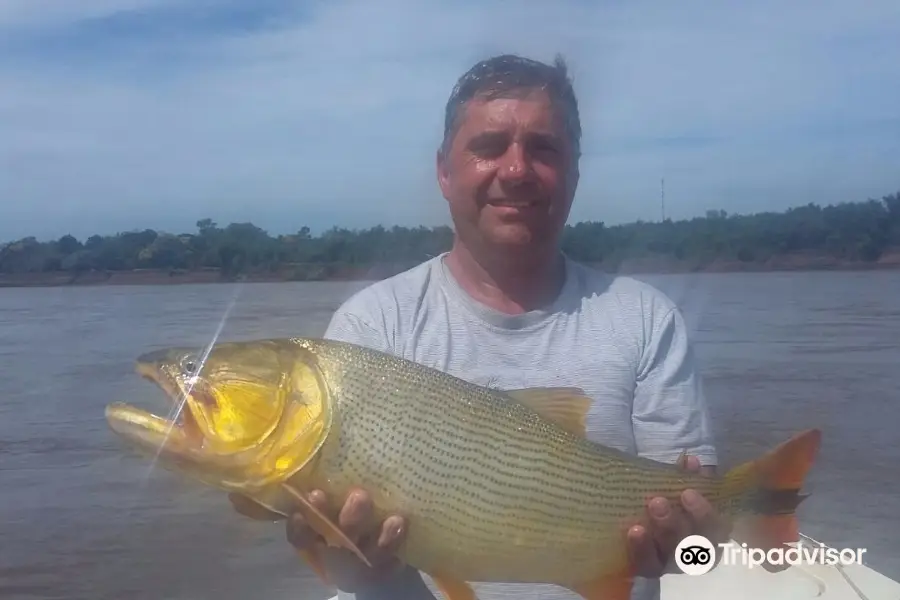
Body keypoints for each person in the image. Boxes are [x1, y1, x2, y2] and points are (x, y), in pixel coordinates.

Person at [279, 54, 723, 600]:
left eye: (543, 148)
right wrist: (339, 546)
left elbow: (699, 558)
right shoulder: (373, 324)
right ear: (444, 171)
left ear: (575, 174)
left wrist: (687, 550)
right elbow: (351, 576)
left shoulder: (647, 321)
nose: (515, 170)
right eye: (489, 147)